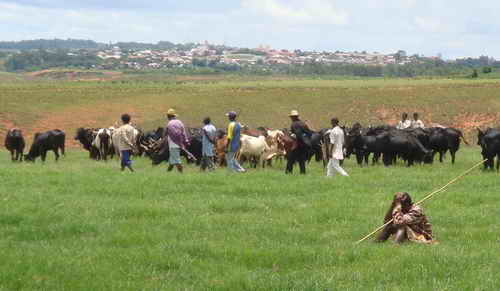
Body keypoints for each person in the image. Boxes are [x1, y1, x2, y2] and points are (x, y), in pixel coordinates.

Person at [286, 110, 313, 174]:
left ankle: (288, 172)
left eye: (291, 117)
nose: (291, 118)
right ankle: (302, 173)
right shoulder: (303, 123)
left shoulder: (294, 124)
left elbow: (297, 134)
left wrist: (292, 135)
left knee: (290, 158)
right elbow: (309, 133)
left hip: (297, 144)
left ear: (293, 117)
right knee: (301, 160)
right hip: (304, 145)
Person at [165, 108, 189, 173]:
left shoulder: (169, 124)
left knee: (177, 161)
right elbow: (184, 132)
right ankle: (167, 174)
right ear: (174, 116)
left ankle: (182, 175)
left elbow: (166, 134)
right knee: (172, 161)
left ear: (168, 116)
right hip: (180, 143)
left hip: (173, 144)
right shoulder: (180, 122)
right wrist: (186, 141)